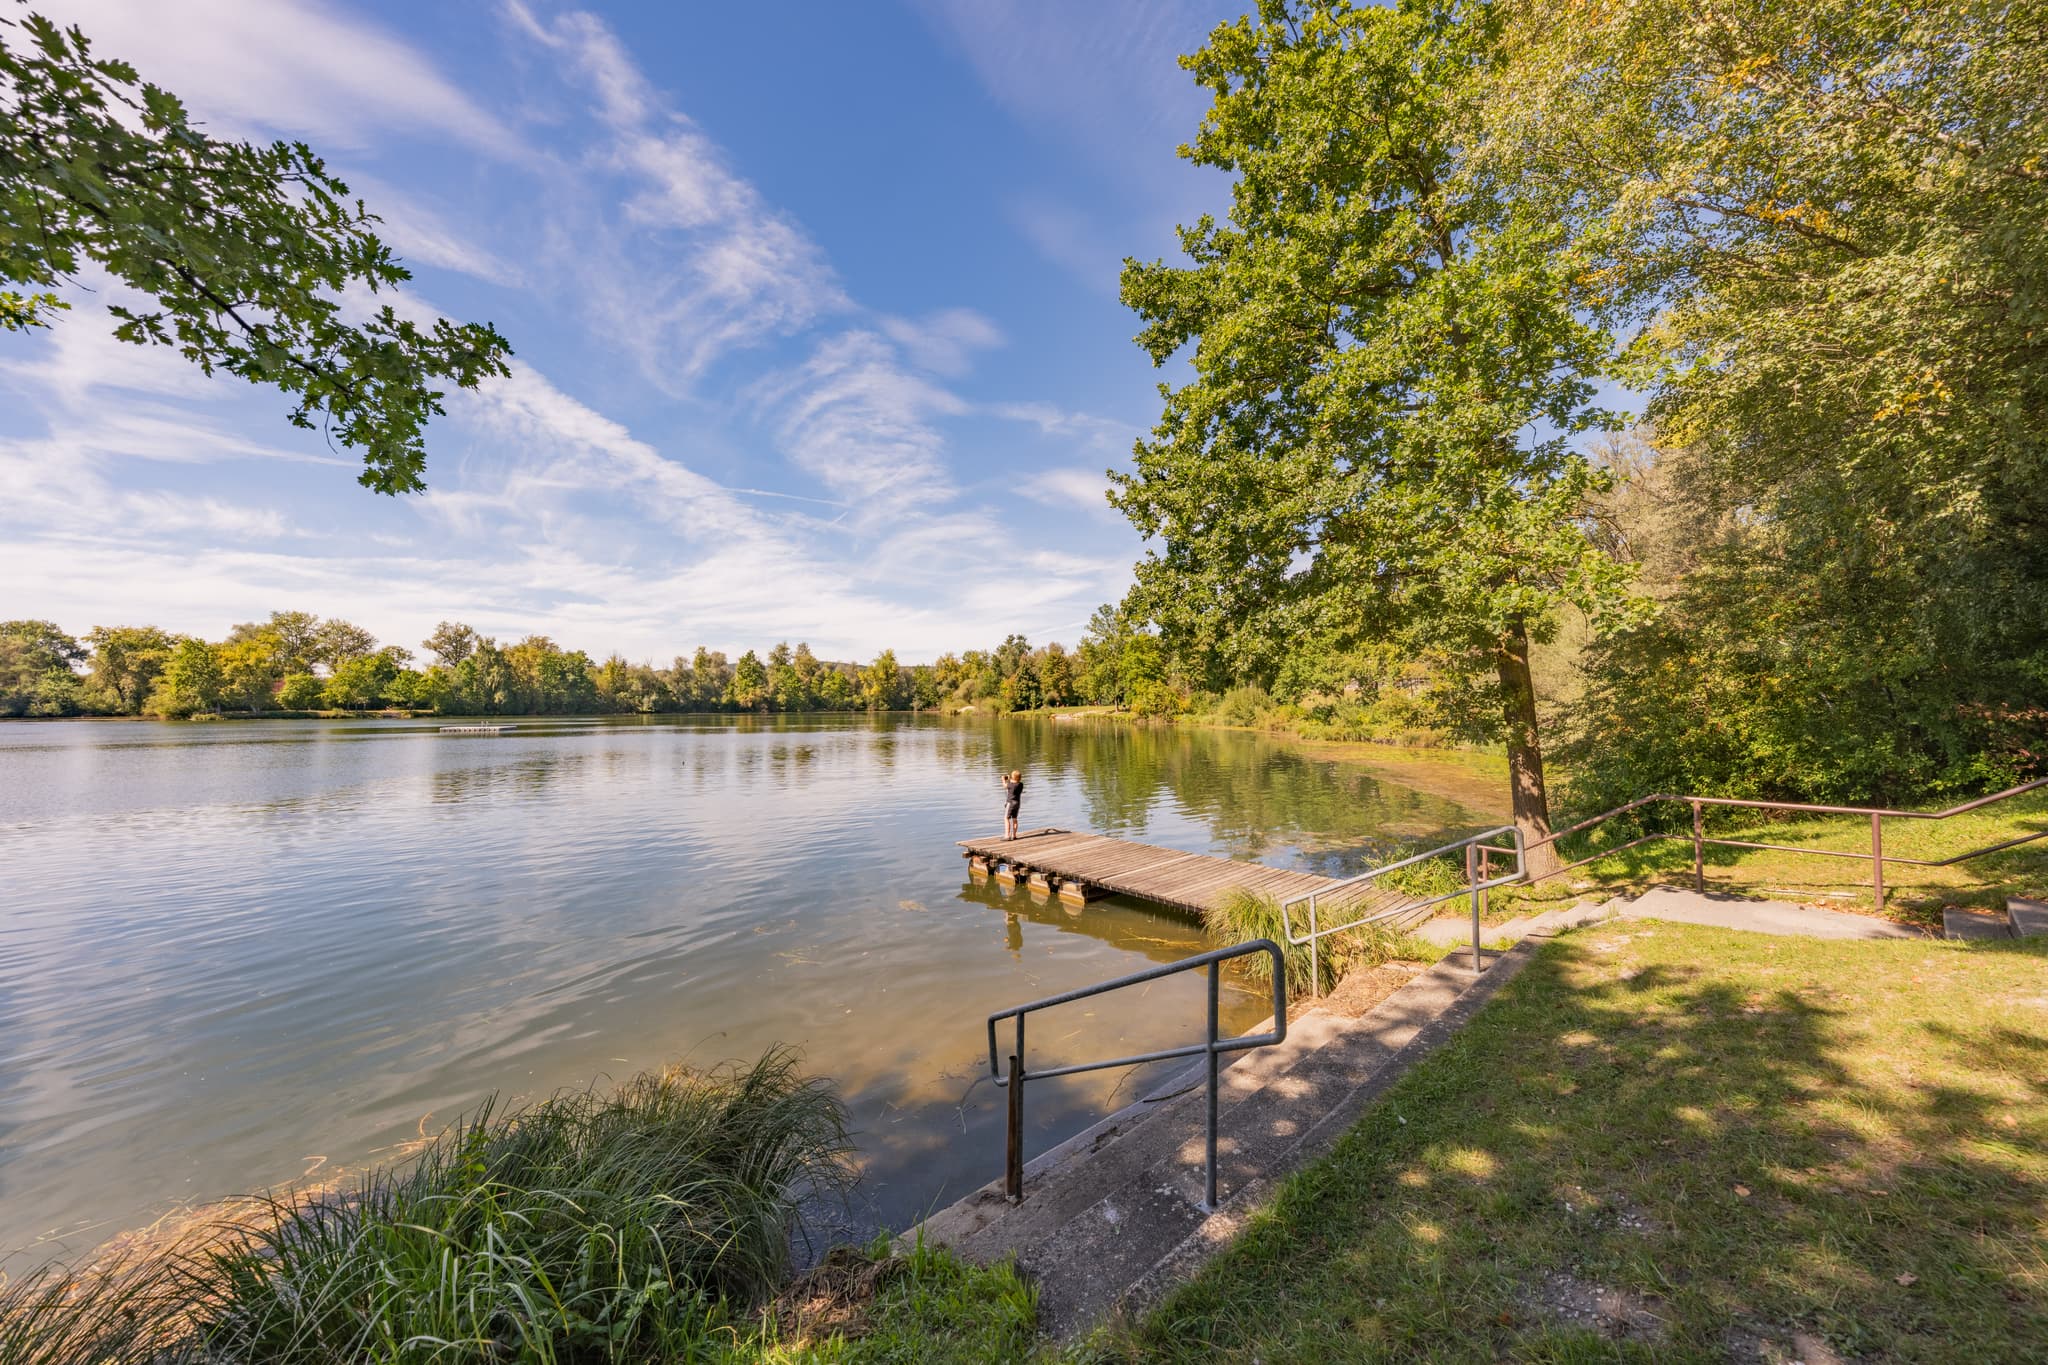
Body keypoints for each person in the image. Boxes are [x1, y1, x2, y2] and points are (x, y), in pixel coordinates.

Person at [1002, 769, 1023, 839]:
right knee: (1014, 819)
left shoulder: (1010, 785)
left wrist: (1003, 780)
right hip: (1017, 803)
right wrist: (1009, 779)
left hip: (1010, 803)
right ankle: (1014, 835)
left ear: (1012, 777)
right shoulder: (1020, 785)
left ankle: (1007, 835)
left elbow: (1005, 786)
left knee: (1006, 818)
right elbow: (1012, 783)